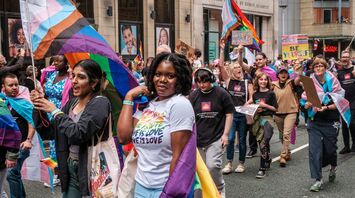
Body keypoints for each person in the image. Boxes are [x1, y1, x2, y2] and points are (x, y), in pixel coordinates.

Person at [117, 52, 195, 197]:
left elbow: (179, 157)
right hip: (141, 186)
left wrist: (170, 192)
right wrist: (129, 97)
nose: (162, 80)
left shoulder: (179, 104)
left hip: (166, 188)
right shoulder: (148, 104)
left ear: (180, 79)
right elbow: (123, 137)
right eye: (158, 74)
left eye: (170, 76)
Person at [31, 59, 111, 197]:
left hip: (91, 168)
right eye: (73, 75)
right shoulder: (72, 103)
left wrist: (55, 111)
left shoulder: (100, 103)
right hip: (70, 167)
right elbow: (50, 132)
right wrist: (39, 106)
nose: (74, 81)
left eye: (81, 77)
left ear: (93, 83)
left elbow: (78, 133)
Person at [301, 57, 350, 192]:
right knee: (314, 151)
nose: (318, 68)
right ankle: (318, 180)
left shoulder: (333, 81)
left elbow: (340, 102)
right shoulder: (309, 82)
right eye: (316, 66)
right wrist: (307, 104)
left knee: (330, 150)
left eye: (321, 66)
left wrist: (326, 107)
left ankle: (333, 166)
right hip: (315, 120)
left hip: (331, 119)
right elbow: (304, 101)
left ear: (325, 67)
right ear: (313, 68)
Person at [189, 67, 234, 196]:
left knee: (213, 166)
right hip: (198, 139)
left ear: (211, 80)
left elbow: (229, 114)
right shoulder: (194, 95)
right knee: (200, 171)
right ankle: (204, 193)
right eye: (199, 82)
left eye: (205, 81)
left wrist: (225, 134)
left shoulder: (221, 93)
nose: (202, 85)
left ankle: (219, 189)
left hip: (215, 138)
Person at [218, 41, 253, 174]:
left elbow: (251, 97)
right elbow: (221, 65)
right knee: (231, 138)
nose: (238, 70)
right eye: (236, 69)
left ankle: (242, 163)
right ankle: (229, 163)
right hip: (231, 114)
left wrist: (248, 102)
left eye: (240, 68)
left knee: (242, 140)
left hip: (243, 113)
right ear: (232, 70)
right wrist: (222, 50)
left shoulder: (247, 82)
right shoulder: (229, 81)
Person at [1, 73, 35, 198]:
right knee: (14, 174)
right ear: (3, 87)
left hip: (21, 144)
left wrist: (28, 140)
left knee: (11, 174)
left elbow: (31, 122)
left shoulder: (24, 102)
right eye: (11, 85)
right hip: (7, 146)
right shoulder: (2, 101)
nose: (15, 87)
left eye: (16, 84)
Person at [272, 66, 302, 167]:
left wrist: (299, 70)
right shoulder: (273, 85)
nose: (283, 74)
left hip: (291, 112)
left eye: (285, 73)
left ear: (287, 74)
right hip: (277, 113)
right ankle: (288, 151)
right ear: (278, 75)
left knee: (286, 134)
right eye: (281, 73)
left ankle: (283, 156)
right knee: (282, 135)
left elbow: (298, 79)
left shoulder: (291, 83)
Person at [250, 72, 277, 179]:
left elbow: (275, 109)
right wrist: (256, 109)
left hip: (268, 119)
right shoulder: (255, 94)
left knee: (264, 143)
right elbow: (253, 108)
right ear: (258, 81)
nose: (263, 82)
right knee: (261, 142)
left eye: (265, 80)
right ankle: (268, 157)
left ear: (268, 81)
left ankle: (262, 169)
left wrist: (264, 105)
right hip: (257, 120)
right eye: (261, 79)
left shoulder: (271, 94)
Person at [336, 50, 355, 154]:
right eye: (343, 57)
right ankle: (346, 146)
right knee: (344, 124)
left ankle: (354, 144)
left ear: (350, 58)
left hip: (354, 100)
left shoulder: (354, 69)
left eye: (347, 57)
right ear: (341, 59)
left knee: (352, 122)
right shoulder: (339, 72)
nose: (345, 58)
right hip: (343, 101)